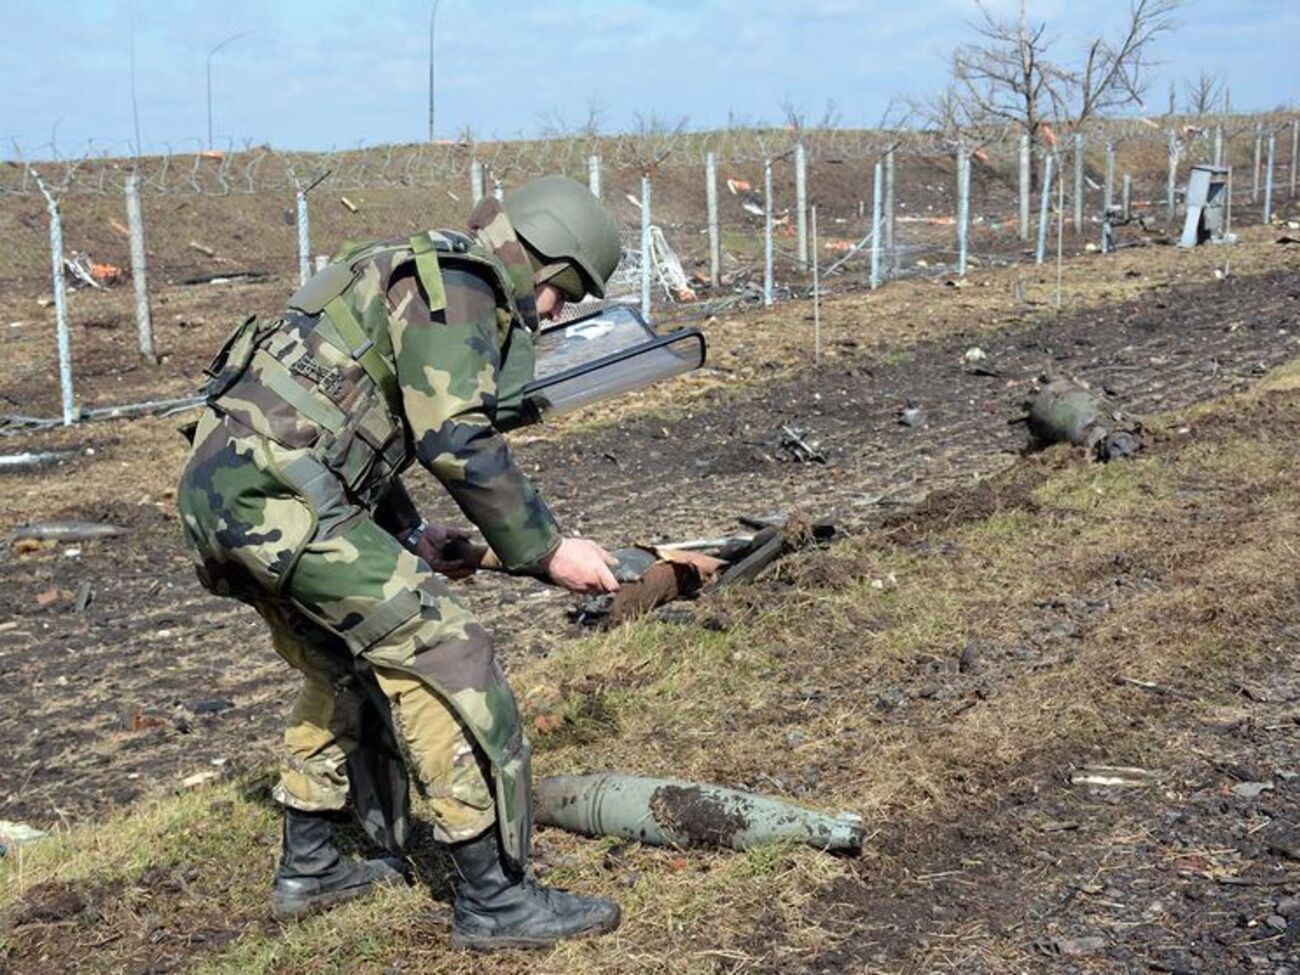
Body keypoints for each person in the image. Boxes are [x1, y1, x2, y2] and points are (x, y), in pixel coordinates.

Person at [176, 176, 624, 950]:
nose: (552, 314)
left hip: (229, 494)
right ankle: (494, 899)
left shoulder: (401, 263)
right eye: (565, 297)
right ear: (548, 265)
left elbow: (340, 422)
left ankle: (310, 866)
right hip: (281, 501)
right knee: (444, 653)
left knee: (342, 663)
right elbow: (456, 436)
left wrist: (412, 533)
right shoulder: (465, 284)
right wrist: (549, 550)